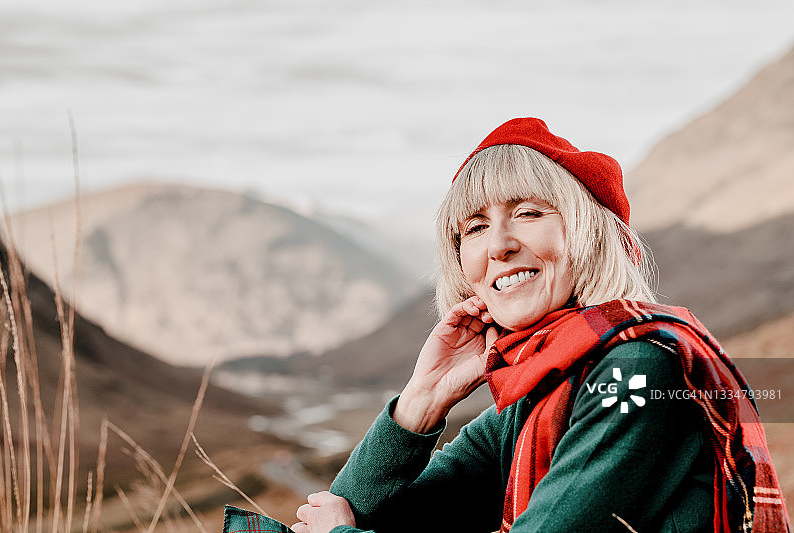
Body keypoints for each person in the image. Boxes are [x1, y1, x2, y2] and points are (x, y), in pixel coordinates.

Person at [290, 118, 790, 533]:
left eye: (528, 213)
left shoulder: (641, 368)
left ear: (590, 236)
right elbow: (356, 514)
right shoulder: (539, 392)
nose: (498, 245)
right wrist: (420, 403)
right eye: (475, 227)